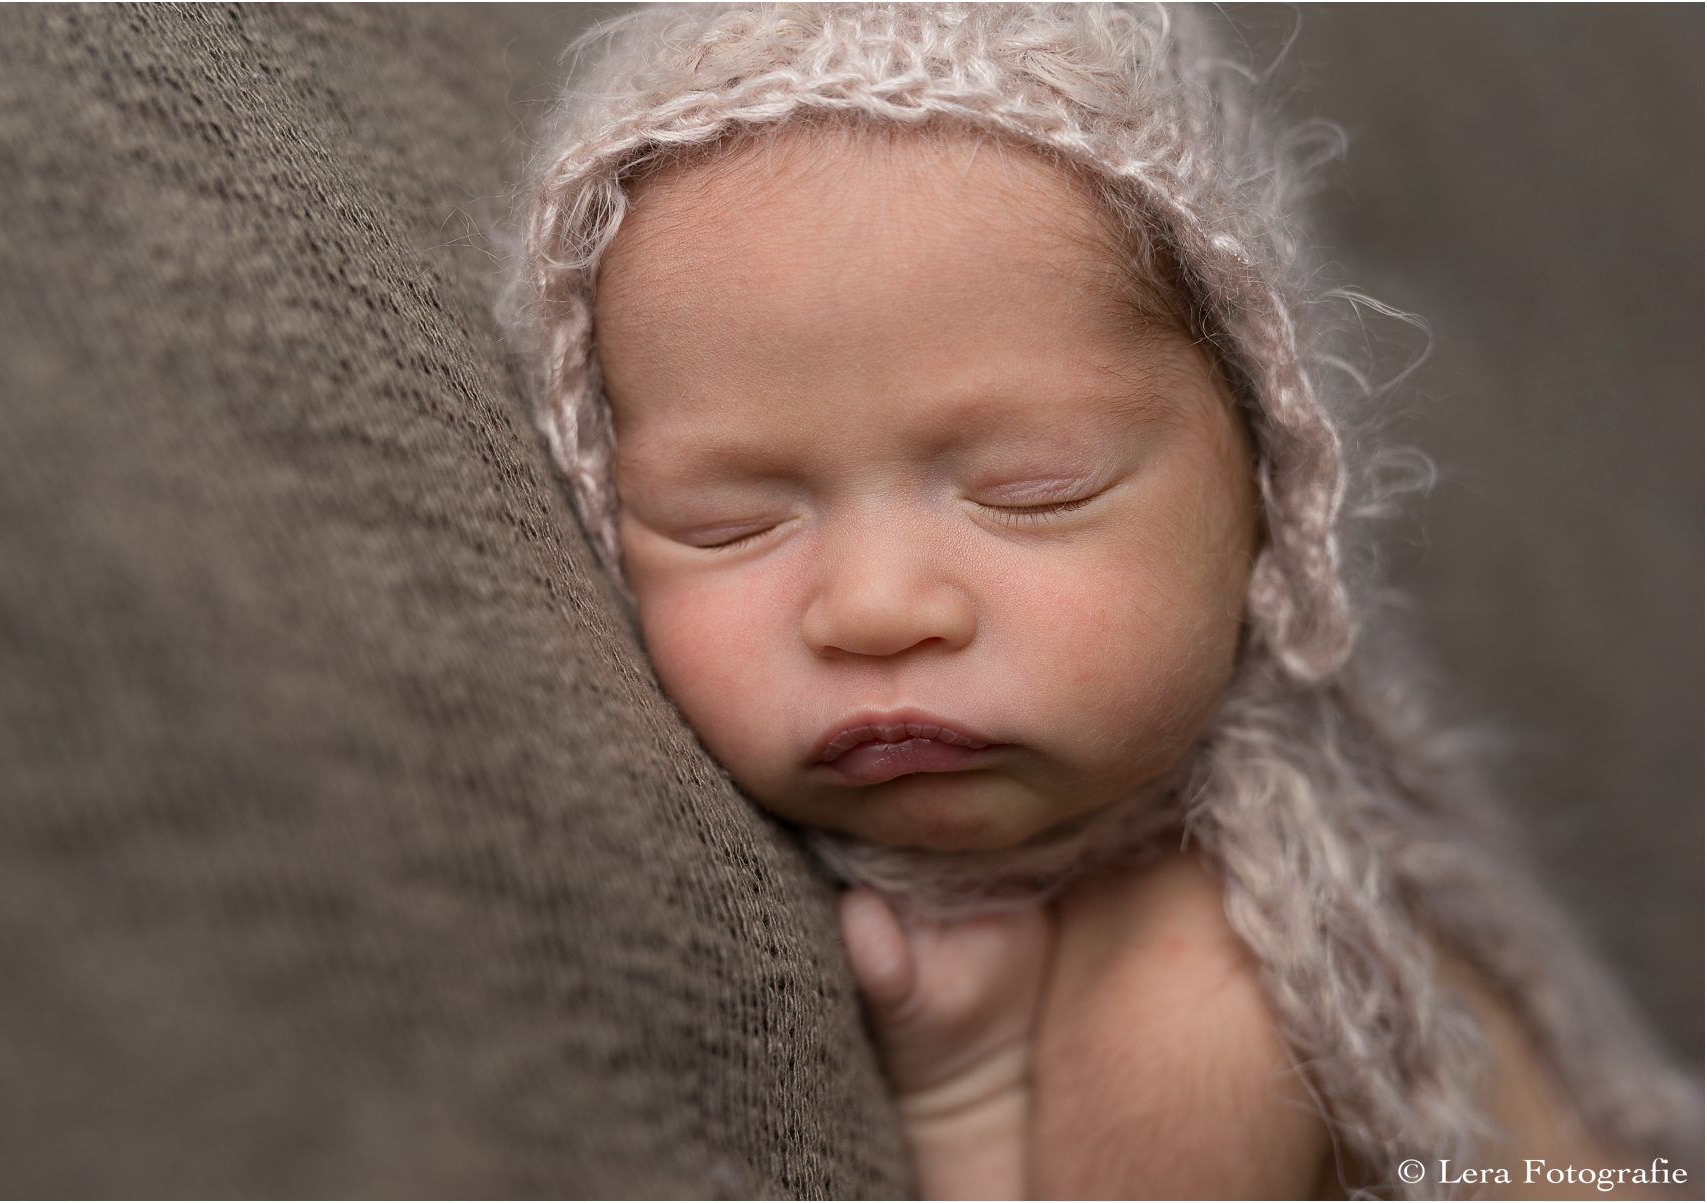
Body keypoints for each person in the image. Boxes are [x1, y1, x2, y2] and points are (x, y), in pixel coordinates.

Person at [500, 6, 1701, 1197]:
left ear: (1273, 499)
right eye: (729, 521)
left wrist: (960, 1108)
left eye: (1031, 492)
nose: (873, 609)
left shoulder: (1213, 997)